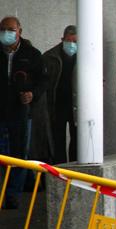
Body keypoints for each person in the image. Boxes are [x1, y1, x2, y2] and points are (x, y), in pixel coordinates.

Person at [0, 16, 48, 209]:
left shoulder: (32, 54)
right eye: (3, 29)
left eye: (11, 29)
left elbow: (44, 80)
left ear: (20, 31)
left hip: (21, 113)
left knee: (19, 155)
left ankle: (13, 195)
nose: (6, 33)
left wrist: (32, 94)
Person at [42, 25, 78, 164]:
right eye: (69, 41)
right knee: (57, 141)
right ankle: (59, 172)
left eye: (75, 42)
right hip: (57, 105)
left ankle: (75, 171)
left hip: (76, 105)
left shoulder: (87, 57)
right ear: (62, 39)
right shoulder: (50, 57)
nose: (72, 45)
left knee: (77, 141)